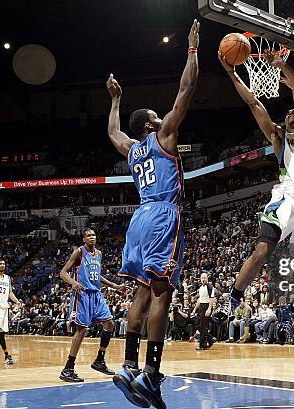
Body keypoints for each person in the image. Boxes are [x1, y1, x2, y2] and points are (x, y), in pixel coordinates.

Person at [108, 20, 199, 409]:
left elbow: (113, 133)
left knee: (142, 292)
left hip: (139, 218)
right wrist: (192, 51)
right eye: (157, 115)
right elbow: (186, 91)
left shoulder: (132, 150)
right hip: (163, 213)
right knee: (163, 292)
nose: (165, 116)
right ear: (150, 124)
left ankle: (128, 364)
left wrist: (114, 100)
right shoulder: (162, 137)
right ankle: (150, 371)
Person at [216, 48, 294, 320]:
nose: (291, 111)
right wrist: (232, 74)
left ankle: (293, 310)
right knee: (262, 251)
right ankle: (232, 300)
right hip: (288, 195)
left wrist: (283, 65)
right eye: (287, 113)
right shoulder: (279, 138)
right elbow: (254, 103)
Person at [58, 229, 126, 382]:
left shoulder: (99, 254)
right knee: (81, 329)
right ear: (84, 239)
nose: (92, 237)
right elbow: (63, 273)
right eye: (89, 235)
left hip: (96, 294)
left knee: (109, 324)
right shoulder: (78, 252)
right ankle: (68, 368)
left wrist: (114, 286)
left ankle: (99, 361)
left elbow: (96, 274)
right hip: (82, 294)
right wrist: (73, 282)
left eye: (94, 235)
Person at [193, 273, 217, 349]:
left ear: (207, 279)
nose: (203, 279)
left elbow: (212, 298)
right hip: (201, 306)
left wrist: (209, 309)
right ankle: (210, 339)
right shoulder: (200, 287)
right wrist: (195, 309)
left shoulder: (210, 287)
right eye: (202, 278)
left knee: (203, 326)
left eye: (204, 278)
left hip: (207, 306)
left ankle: (202, 345)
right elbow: (199, 299)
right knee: (198, 325)